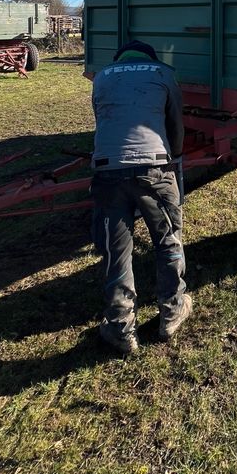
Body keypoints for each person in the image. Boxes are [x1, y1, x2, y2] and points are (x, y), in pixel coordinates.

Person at [89, 39, 191, 354]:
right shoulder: (163, 73)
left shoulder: (103, 76)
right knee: (167, 241)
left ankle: (120, 327)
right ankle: (172, 312)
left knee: (116, 250)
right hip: (154, 169)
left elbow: (102, 119)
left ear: (120, 59)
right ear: (149, 57)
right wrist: (174, 156)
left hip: (108, 172)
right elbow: (175, 122)